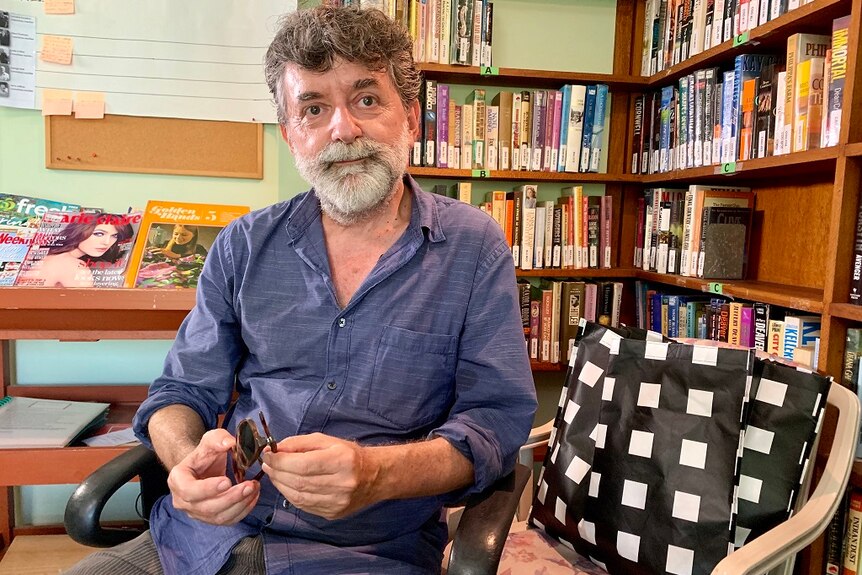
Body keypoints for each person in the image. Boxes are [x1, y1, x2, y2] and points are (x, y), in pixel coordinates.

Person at [65, 6, 535, 575]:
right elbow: (179, 392)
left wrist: (376, 474)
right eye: (314, 108)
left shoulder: (472, 247)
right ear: (291, 135)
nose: (343, 128)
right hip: (202, 540)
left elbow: (495, 424)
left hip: (368, 553)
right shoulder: (243, 244)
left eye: (366, 99)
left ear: (411, 117)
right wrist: (187, 464)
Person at [16, 215, 133, 288]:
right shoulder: (71, 264)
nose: (107, 242)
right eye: (99, 234)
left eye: (115, 236)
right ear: (80, 231)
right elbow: (89, 311)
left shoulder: (52, 256)